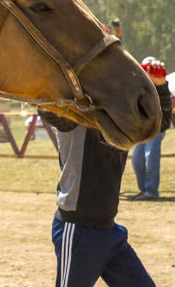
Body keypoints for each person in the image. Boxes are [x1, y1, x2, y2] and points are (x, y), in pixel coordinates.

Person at [39, 108, 156, 287]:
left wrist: (159, 84)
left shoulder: (120, 122)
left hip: (110, 232)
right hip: (78, 230)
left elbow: (158, 122)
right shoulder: (73, 118)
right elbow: (46, 107)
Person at [130, 56, 172, 200]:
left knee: (150, 158)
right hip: (144, 128)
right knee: (136, 159)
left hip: (158, 128)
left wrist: (160, 83)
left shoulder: (162, 85)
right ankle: (145, 190)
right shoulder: (140, 85)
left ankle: (151, 192)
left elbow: (167, 107)